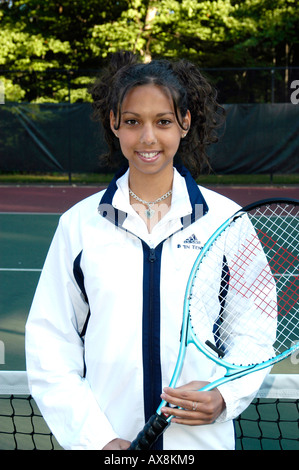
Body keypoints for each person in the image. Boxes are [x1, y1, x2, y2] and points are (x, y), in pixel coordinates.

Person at [25, 51, 270, 450]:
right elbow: (50, 346)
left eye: (164, 121)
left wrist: (226, 396)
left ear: (185, 123)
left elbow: (253, 331)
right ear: (114, 124)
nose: (148, 138)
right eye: (133, 122)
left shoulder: (227, 221)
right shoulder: (78, 224)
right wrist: (98, 440)